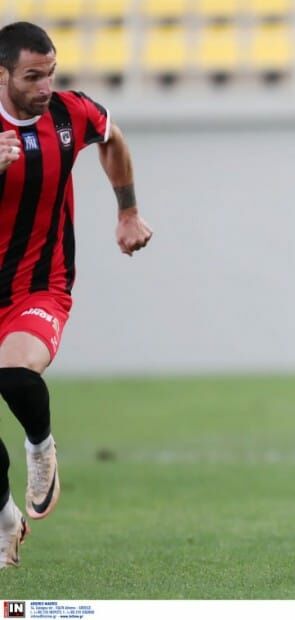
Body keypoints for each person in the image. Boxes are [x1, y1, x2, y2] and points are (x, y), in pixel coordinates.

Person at [0, 22, 152, 568]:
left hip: (39, 284)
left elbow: (113, 140)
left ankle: (40, 445)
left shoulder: (70, 113)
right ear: (2, 75)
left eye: (50, 74)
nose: (45, 87)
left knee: (14, 374)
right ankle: (5, 518)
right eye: (31, 77)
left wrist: (128, 212)